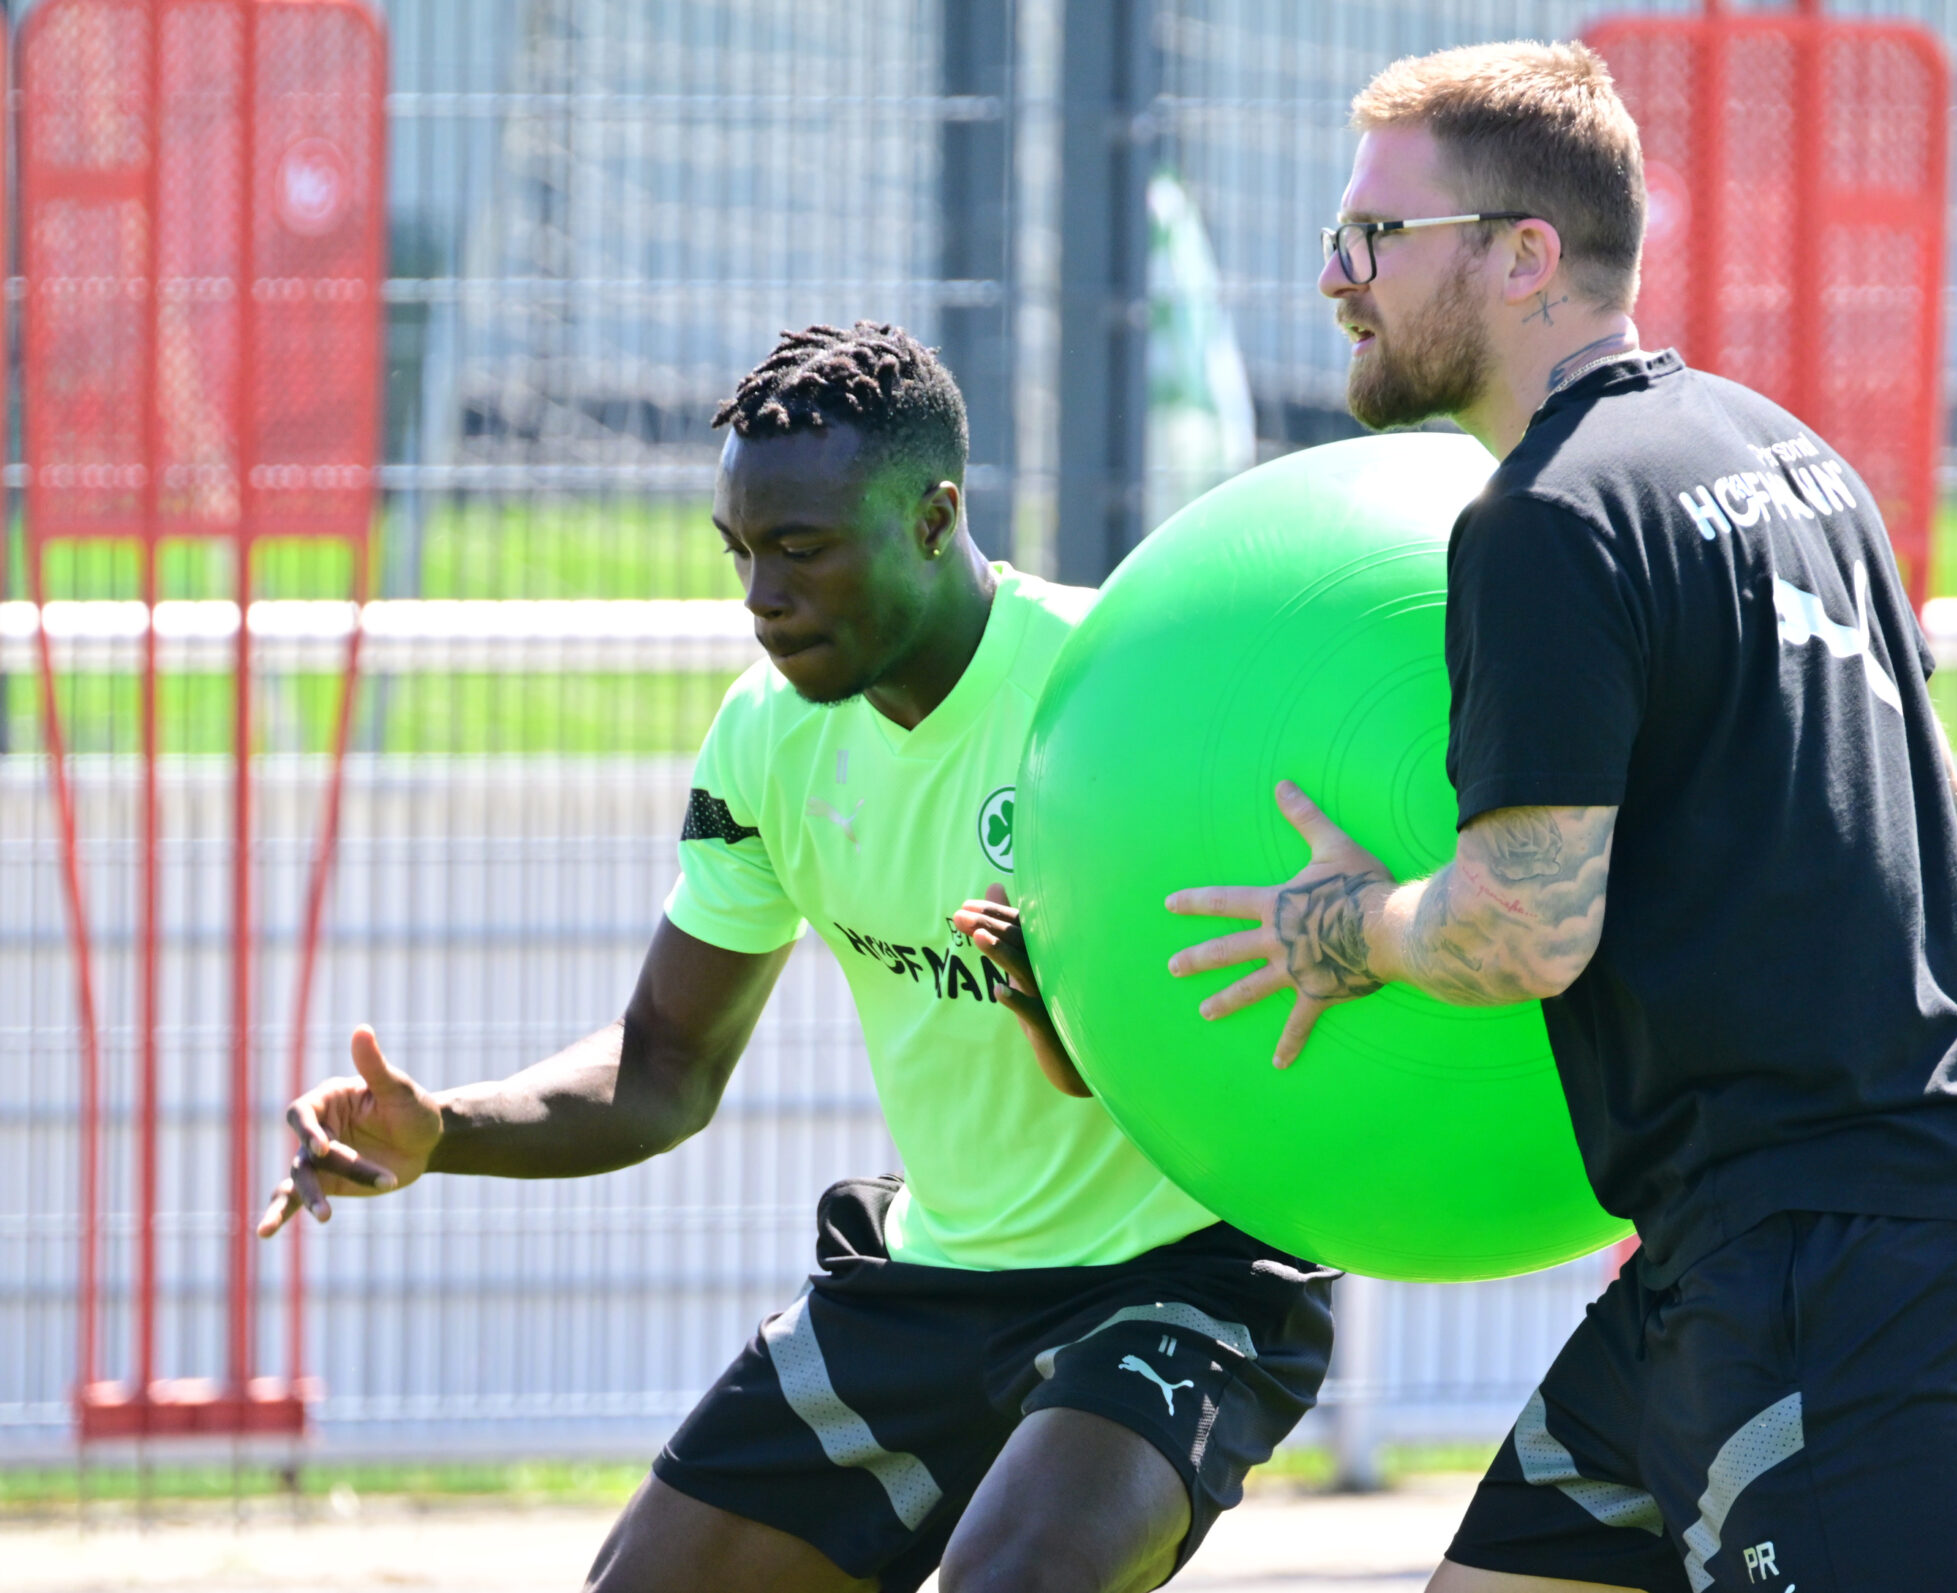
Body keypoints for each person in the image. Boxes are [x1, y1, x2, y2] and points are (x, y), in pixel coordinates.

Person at [259, 322, 1335, 1593]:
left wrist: (1068, 1018)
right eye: (744, 554)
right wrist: (444, 1128)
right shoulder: (768, 741)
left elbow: (1254, 1039)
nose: (764, 598)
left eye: (803, 551)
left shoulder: (1111, 697)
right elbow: (663, 1068)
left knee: (1013, 1581)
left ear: (936, 517)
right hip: (938, 1286)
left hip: (1180, 1281)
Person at [1166, 42, 1957, 1593]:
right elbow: (1932, 786)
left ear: (1525, 256)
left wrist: (1345, 926)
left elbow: (1522, 925)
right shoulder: (1781, 452)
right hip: (1764, 1221)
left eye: (1373, 238)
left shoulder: (1548, 522)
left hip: (1816, 1240)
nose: (1335, 278)